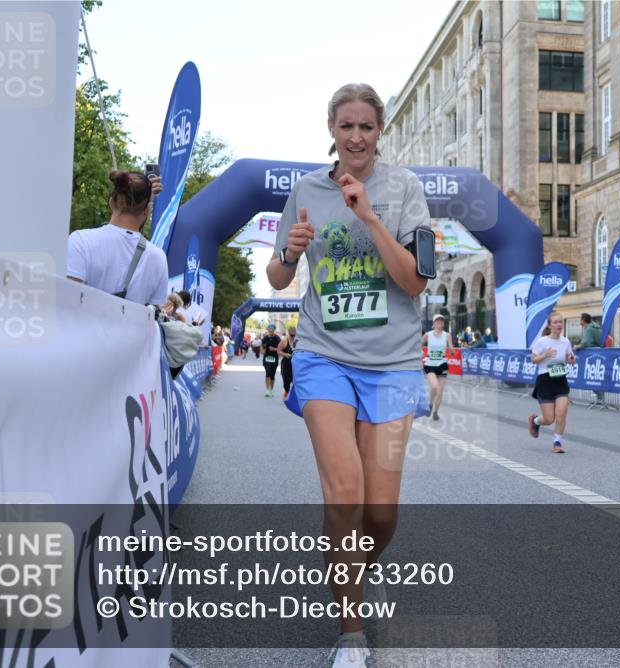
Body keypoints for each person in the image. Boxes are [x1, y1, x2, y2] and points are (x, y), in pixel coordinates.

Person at [266, 83, 431, 667]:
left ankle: (350, 571)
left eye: (366, 127)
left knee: (380, 513)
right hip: (323, 356)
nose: (356, 137)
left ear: (379, 132)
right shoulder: (306, 190)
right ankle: (351, 633)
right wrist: (289, 252)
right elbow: (280, 278)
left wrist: (370, 218)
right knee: (345, 493)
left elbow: (415, 281)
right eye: (346, 126)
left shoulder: (407, 189)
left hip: (392, 363)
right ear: (331, 131)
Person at [66, 171, 167, 305]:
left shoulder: (80, 240)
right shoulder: (158, 257)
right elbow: (154, 312)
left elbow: (67, 300)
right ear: (147, 210)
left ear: (111, 202)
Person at [527, 313, 577, 453]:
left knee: (562, 413)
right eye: (555, 322)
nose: (559, 325)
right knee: (549, 419)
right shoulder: (542, 342)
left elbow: (568, 357)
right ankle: (535, 421)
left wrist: (572, 360)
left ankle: (557, 442)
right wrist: (545, 355)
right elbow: (533, 359)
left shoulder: (566, 341)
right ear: (550, 325)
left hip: (560, 380)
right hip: (545, 380)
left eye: (560, 322)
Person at [421, 314, 454, 421]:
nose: (439, 322)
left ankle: (436, 412)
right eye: (437, 320)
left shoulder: (447, 335)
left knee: (440, 391)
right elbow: (419, 345)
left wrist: (452, 351)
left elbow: (451, 346)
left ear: (443, 323)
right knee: (434, 386)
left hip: (442, 365)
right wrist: (421, 352)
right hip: (430, 365)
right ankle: (430, 405)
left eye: (441, 321)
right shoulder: (427, 335)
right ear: (434, 323)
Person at [575, 313, 604, 404]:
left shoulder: (590, 329)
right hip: (598, 355)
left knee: (593, 377)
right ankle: (599, 399)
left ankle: (600, 399)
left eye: (580, 320)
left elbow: (586, 342)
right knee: (595, 377)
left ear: (583, 320)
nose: (580, 322)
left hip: (594, 356)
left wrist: (576, 347)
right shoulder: (593, 327)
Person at [261, 324, 282, 397]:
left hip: (274, 358)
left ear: (274, 331)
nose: (270, 333)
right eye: (269, 331)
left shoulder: (277, 338)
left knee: (272, 375)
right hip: (266, 357)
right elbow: (262, 346)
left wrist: (274, 349)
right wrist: (262, 350)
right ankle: (267, 390)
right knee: (268, 372)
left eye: (272, 331)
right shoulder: (265, 338)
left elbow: (280, 348)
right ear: (268, 331)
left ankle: (271, 389)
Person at [278, 325, 297, 400]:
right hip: (286, 363)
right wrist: (285, 354)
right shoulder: (284, 341)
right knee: (286, 380)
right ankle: (286, 391)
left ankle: (292, 396)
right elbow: (278, 351)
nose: (292, 336)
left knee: (295, 380)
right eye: (291, 335)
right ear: (288, 333)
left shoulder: (298, 341)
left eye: (294, 335)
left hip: (295, 363)